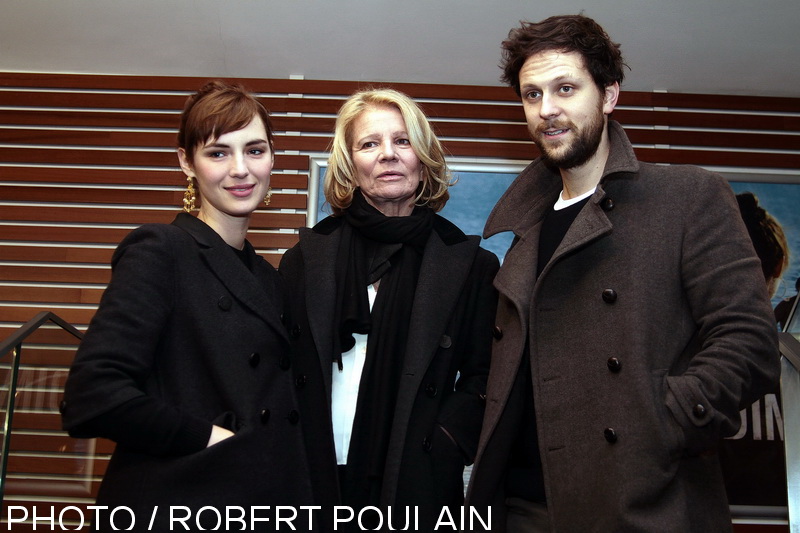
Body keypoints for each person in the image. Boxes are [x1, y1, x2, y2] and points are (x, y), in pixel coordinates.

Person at [466, 14, 780, 532]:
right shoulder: (524, 227)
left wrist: (658, 423)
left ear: (609, 95)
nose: (547, 110)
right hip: (519, 508)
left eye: (566, 88)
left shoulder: (688, 196)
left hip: (642, 502)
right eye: (531, 94)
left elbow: (748, 342)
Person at [61, 81, 312, 531]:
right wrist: (212, 439)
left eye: (255, 150)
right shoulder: (161, 249)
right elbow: (93, 396)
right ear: (185, 162)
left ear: (273, 158)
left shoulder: (271, 281)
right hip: (178, 502)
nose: (240, 169)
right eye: (218, 153)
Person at [280, 88, 499, 531]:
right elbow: (277, 366)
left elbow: (486, 375)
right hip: (310, 471)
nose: (388, 155)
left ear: (423, 158)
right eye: (369, 144)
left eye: (402, 141)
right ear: (350, 163)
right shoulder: (305, 258)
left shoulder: (470, 265)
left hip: (416, 475)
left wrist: (446, 440)